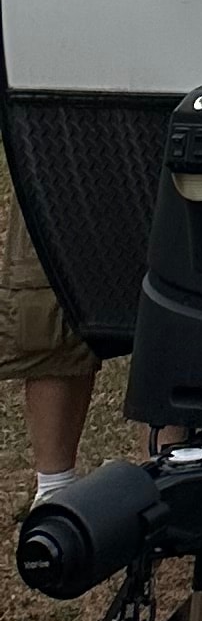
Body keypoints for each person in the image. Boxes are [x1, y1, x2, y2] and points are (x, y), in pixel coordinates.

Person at [3, 172, 98, 517]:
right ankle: (54, 491)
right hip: (53, 144)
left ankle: (168, 480)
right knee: (48, 304)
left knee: (173, 303)